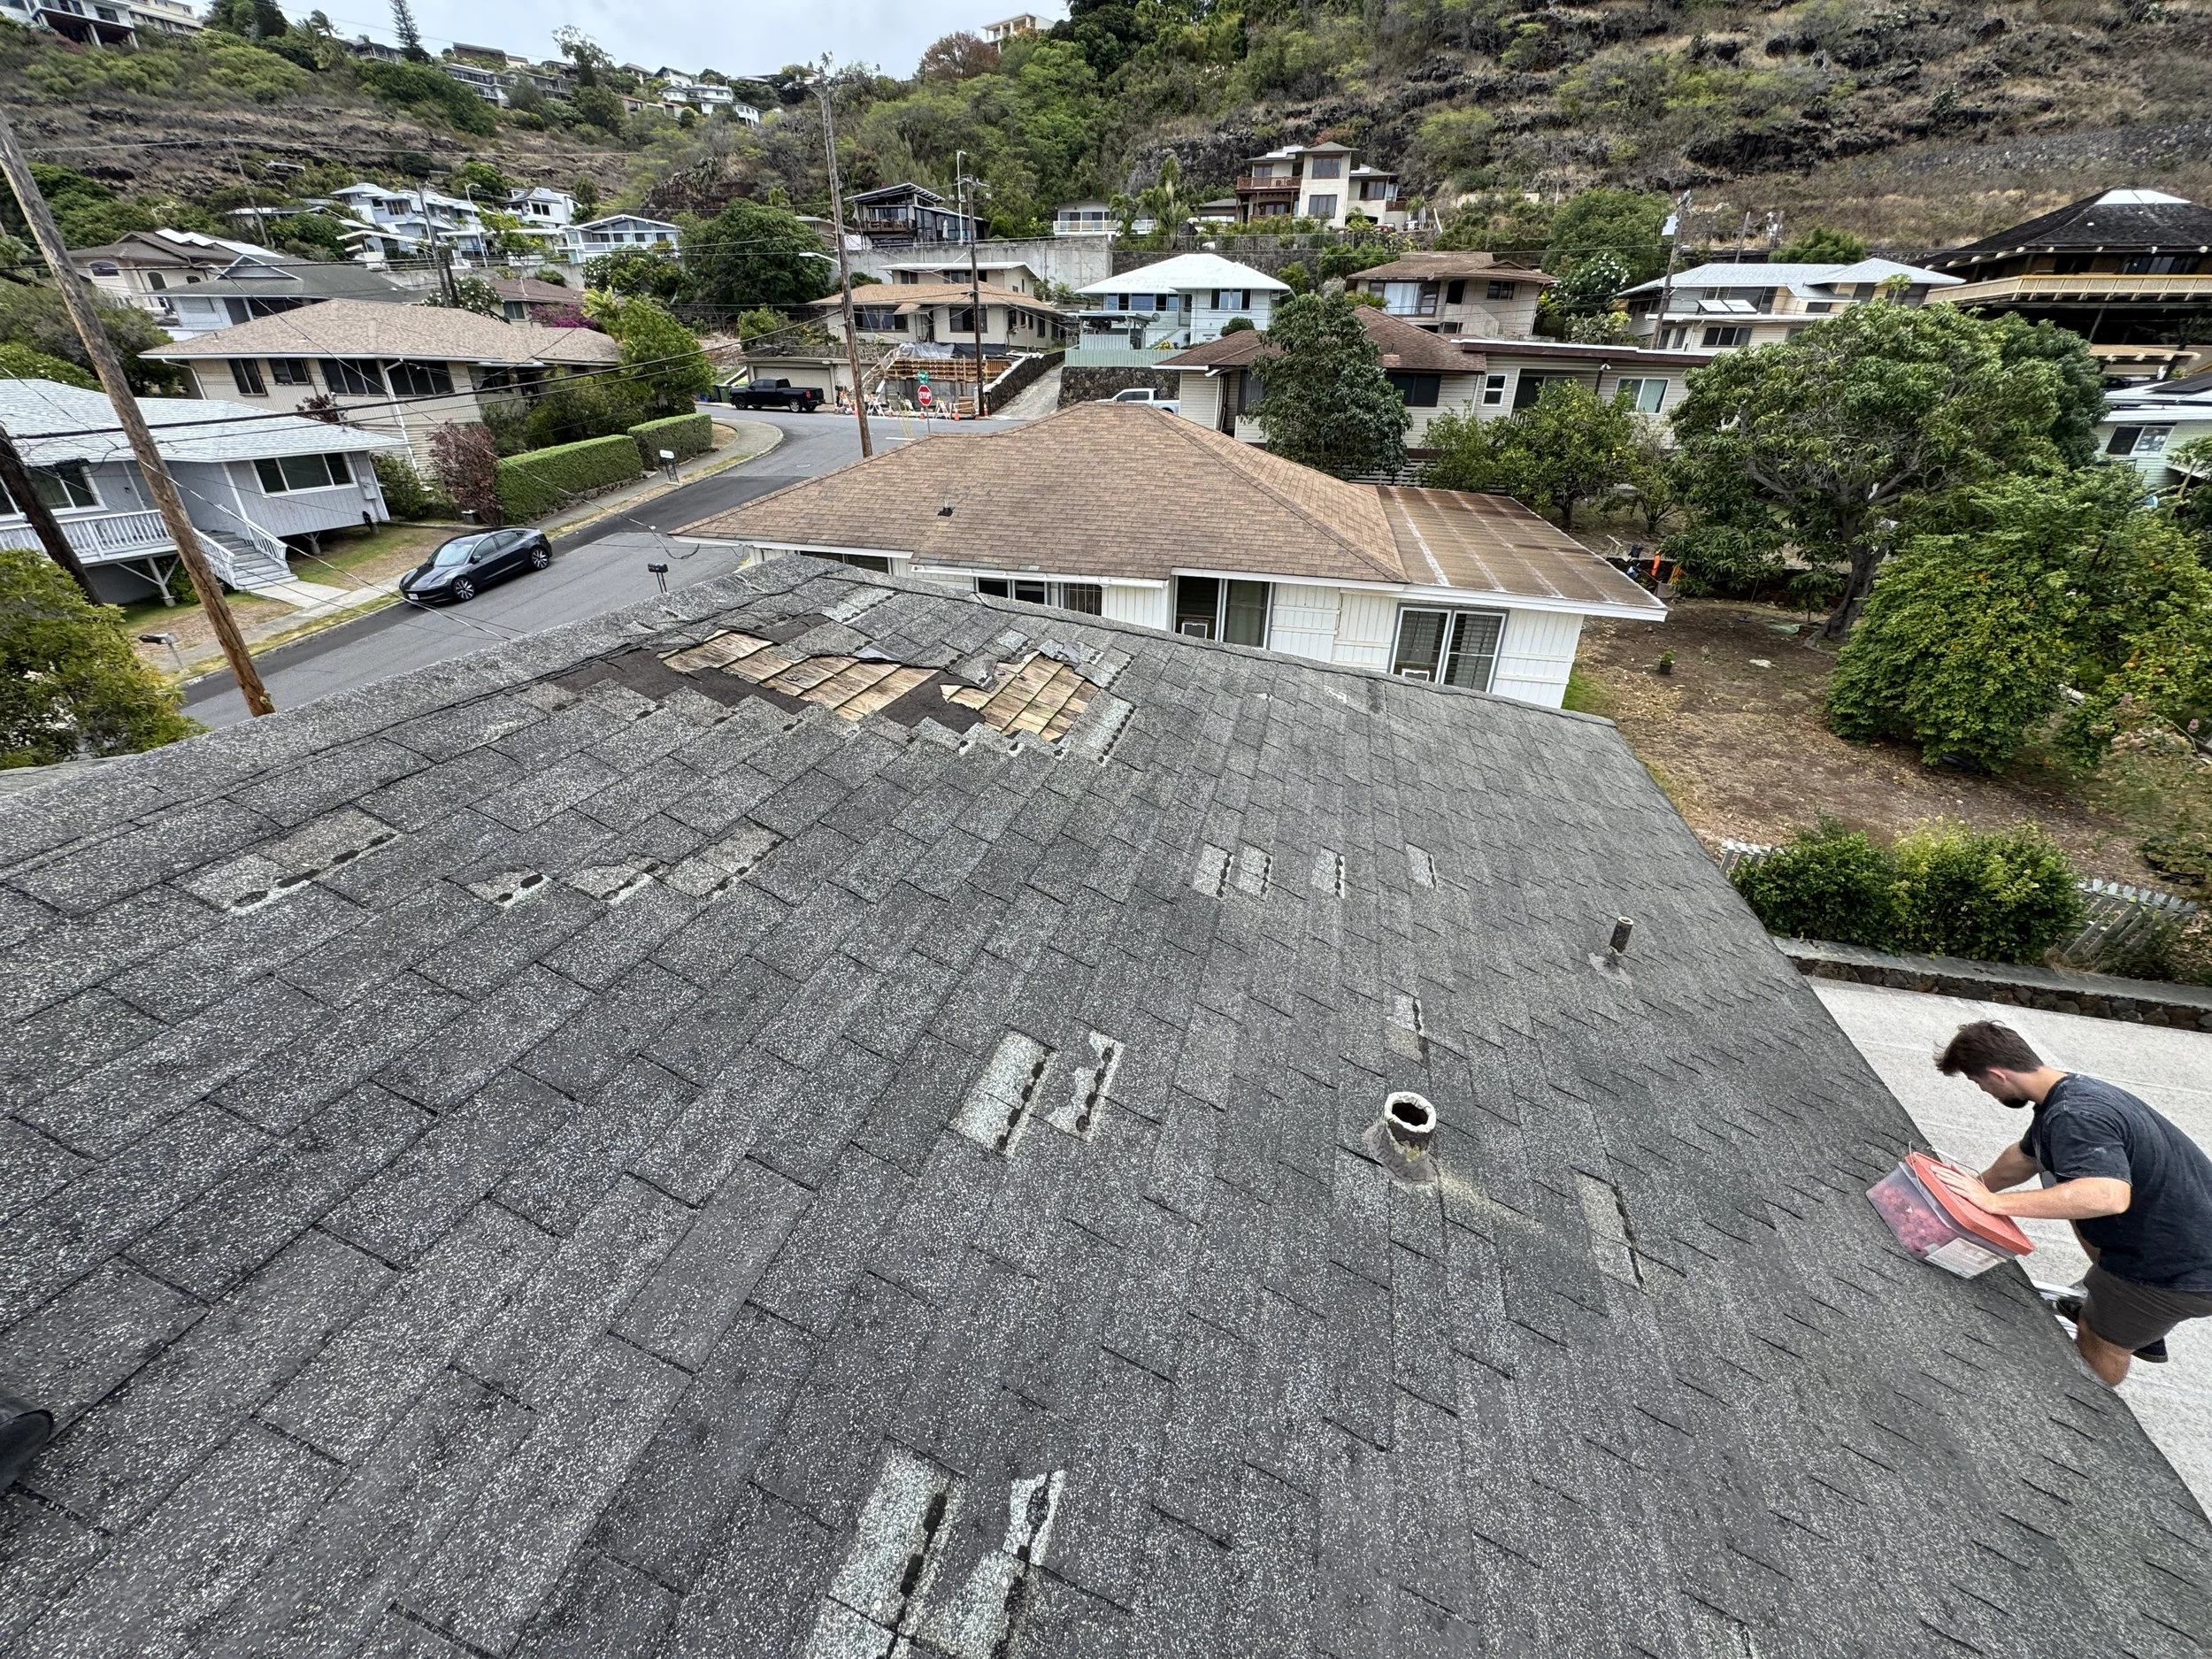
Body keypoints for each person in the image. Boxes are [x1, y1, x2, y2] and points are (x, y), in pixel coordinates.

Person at [1936, 1020, 2212, 1386]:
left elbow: (2107, 1196)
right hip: (2187, 1238)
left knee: (2099, 1338)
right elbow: (2024, 1157)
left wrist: (1992, 1204)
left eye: (1980, 1084)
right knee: (2060, 1182)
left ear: (1997, 1075)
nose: (1985, 1091)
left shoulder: (2074, 1116)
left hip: (2174, 1270)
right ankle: (2134, 1320)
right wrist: (1972, 1187)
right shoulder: (2070, 1094)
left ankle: (2094, 1419)